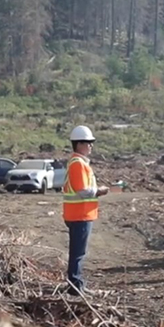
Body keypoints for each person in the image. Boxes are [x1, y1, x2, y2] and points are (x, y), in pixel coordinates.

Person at [63, 125, 111, 296]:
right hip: (79, 215)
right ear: (79, 144)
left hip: (80, 214)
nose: (91, 146)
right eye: (89, 142)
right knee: (78, 253)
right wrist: (100, 191)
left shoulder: (80, 163)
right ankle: (75, 286)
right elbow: (82, 190)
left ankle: (77, 284)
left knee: (78, 252)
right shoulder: (77, 164)